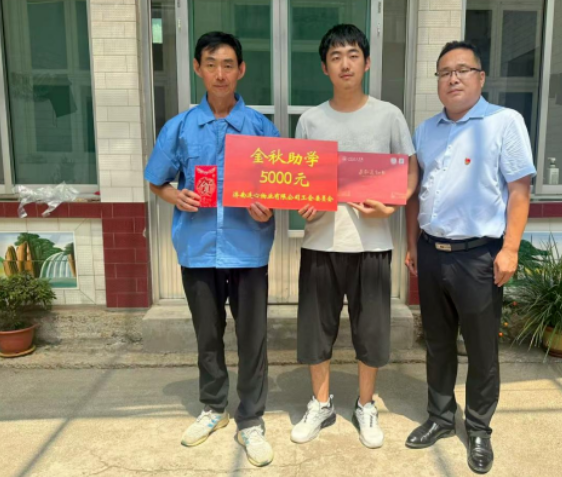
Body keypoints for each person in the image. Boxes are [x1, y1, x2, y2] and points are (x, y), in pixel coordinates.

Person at [144, 31, 278, 467]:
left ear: (241, 70)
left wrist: (268, 208)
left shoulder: (261, 128)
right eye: (211, 64)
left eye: (228, 65)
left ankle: (251, 418)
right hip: (198, 248)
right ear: (198, 69)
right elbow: (157, 180)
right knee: (207, 335)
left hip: (248, 249)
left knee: (252, 338)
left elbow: (280, 187)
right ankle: (214, 408)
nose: (220, 73)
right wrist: (174, 195)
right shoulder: (179, 128)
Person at [404, 41, 534, 474]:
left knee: (481, 349)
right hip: (431, 252)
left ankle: (478, 428)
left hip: (479, 257)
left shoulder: (504, 122)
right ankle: (441, 417)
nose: (453, 78)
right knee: (437, 344)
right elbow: (414, 194)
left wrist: (510, 249)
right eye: (445, 72)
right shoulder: (425, 130)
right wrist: (411, 244)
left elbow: (519, 190)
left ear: (480, 77)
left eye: (462, 70)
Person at [289, 24, 419, 449]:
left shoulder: (388, 115)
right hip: (320, 242)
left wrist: (392, 206)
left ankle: (365, 405)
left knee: (371, 330)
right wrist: (302, 202)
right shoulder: (310, 120)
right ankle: (321, 403)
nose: (345, 64)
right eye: (335, 57)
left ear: (367, 62)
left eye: (352, 55)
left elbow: (410, 172)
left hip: (372, 244)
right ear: (324, 68)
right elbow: (298, 181)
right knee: (316, 329)